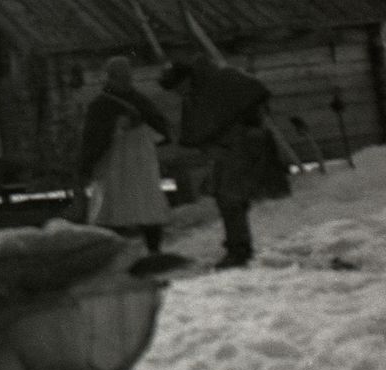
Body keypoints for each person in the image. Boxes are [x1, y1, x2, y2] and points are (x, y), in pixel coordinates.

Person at [159, 57, 289, 269]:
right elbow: (198, 130)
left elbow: (256, 97)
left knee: (230, 198)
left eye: (178, 86)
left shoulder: (222, 80)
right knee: (226, 197)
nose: (178, 93)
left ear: (187, 78)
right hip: (224, 150)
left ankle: (239, 250)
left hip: (243, 144)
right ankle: (238, 247)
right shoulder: (194, 95)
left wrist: (250, 127)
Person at [78, 57, 172, 254]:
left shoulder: (139, 101)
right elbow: (94, 138)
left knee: (145, 208)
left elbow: (160, 128)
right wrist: (116, 128)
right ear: (112, 77)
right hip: (114, 165)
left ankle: (153, 252)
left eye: (128, 76)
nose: (127, 80)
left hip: (140, 162)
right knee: (113, 209)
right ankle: (113, 256)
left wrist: (138, 126)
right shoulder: (100, 106)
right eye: (122, 76)